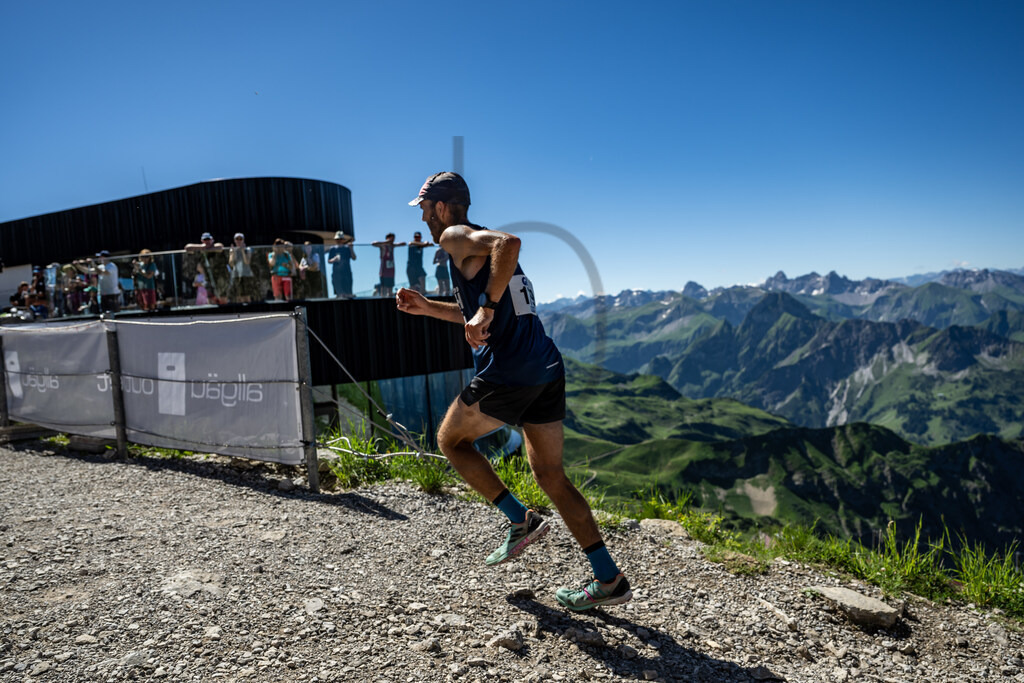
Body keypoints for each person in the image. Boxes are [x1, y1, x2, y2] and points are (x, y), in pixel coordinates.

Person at [396, 172, 632, 611]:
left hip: (509, 371)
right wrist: (430, 308)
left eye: (425, 209)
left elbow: (511, 243)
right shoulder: (475, 249)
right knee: (551, 475)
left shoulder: (454, 236)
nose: (424, 219)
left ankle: (519, 519)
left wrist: (484, 309)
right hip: (545, 367)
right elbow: (476, 310)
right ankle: (609, 579)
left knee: (451, 441)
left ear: (442, 207)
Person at [184, 232, 229, 305]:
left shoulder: (216, 246)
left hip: (220, 278)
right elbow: (187, 247)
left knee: (223, 299)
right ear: (202, 241)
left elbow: (220, 247)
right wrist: (203, 247)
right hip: (209, 279)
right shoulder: (201, 249)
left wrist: (208, 248)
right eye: (205, 240)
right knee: (211, 300)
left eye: (208, 239)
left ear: (212, 240)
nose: (207, 241)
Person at [371, 233, 405, 298]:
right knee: (383, 288)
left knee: (390, 288)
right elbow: (373, 243)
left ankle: (390, 297)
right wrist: (386, 242)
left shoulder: (392, 246)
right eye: (391, 239)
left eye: (393, 239)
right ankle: (383, 299)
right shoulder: (383, 246)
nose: (392, 240)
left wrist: (394, 244)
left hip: (391, 271)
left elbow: (403, 243)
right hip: (384, 270)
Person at [228, 233, 257, 303]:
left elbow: (247, 262)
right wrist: (233, 253)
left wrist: (243, 251)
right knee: (239, 297)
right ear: (234, 240)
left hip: (246, 275)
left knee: (247, 296)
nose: (239, 241)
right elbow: (231, 263)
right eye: (237, 239)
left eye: (240, 239)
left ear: (243, 240)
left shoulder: (248, 249)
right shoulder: (232, 250)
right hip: (236, 275)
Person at [328, 232, 356, 298]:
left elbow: (354, 258)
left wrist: (351, 248)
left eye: (340, 239)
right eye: (337, 239)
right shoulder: (332, 249)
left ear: (343, 240)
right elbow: (329, 261)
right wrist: (334, 259)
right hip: (336, 274)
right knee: (340, 294)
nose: (339, 241)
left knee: (348, 293)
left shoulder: (347, 248)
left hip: (346, 273)